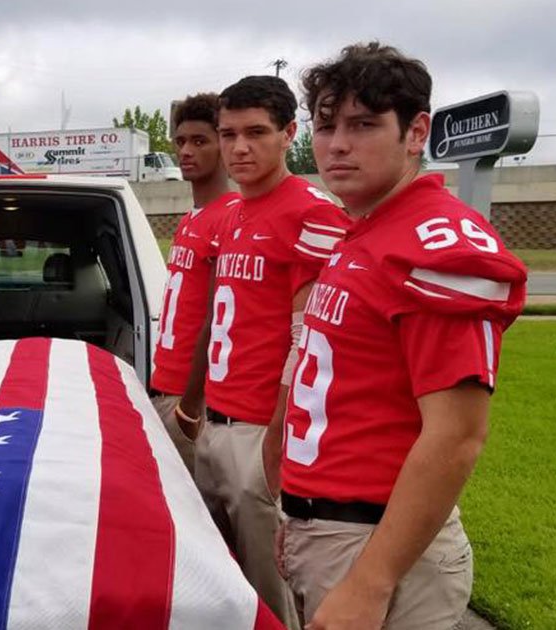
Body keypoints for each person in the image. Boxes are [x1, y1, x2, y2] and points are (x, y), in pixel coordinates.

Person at [279, 42, 526, 630]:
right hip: (327, 524)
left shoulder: (439, 247)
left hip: (372, 541)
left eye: (364, 125)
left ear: (417, 132)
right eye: (327, 124)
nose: (338, 143)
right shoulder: (366, 230)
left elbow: (457, 437)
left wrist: (370, 582)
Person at [176, 76, 351, 629]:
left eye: (256, 132)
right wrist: (198, 407)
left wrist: (277, 439)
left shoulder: (312, 212)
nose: (239, 147)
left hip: (260, 431)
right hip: (217, 423)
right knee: (220, 584)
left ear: (289, 133)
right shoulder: (230, 215)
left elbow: (311, 340)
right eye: (228, 134)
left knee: (271, 595)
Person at [149, 92, 239, 475]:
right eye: (181, 141)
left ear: (224, 145)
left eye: (200, 141)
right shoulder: (190, 219)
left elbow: (215, 317)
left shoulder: (230, 217)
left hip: (189, 397)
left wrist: (191, 402)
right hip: (163, 384)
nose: (186, 151)